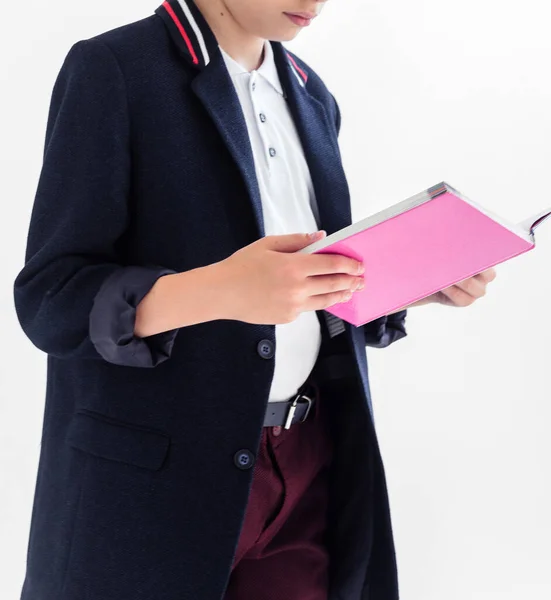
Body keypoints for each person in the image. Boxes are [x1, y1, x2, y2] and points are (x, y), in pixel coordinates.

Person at [12, 1, 496, 599]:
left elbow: (309, 287)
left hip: (308, 464)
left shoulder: (312, 95)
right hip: (154, 488)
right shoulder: (114, 67)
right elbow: (52, 298)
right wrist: (219, 290)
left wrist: (412, 285)